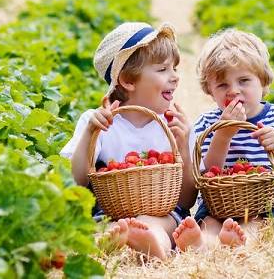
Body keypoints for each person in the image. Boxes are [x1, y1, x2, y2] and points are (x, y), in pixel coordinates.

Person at [59, 22, 198, 260]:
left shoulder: (174, 125)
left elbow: (186, 200)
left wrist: (184, 147)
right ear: (128, 80)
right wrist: (90, 135)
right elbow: (75, 182)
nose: (174, 77)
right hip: (108, 215)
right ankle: (120, 239)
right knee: (101, 227)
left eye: (174, 68)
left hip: (162, 213)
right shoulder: (99, 122)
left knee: (159, 224)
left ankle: (155, 247)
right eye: (163, 69)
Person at [171, 29, 274, 251]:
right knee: (210, 222)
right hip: (219, 205)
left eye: (244, 80)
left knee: (256, 223)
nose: (233, 91)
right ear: (210, 91)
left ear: (263, 83)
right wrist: (223, 134)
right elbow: (207, 177)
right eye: (222, 85)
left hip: (265, 203)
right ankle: (200, 243)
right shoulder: (206, 124)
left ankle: (241, 242)